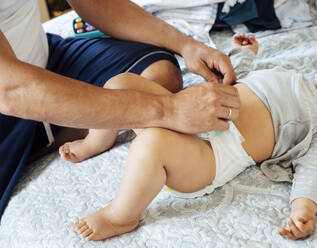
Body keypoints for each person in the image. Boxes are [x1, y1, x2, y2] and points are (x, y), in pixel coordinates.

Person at [68, 34, 317, 241]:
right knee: (120, 84)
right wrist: (243, 52)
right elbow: (235, 80)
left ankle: (121, 215)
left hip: (211, 153)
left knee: (152, 144)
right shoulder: (288, 73)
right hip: (185, 111)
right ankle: (97, 141)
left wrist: (304, 209)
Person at [0, 0, 241, 221]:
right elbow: (10, 89)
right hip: (9, 97)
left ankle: (90, 128)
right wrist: (169, 109)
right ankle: (50, 136)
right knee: (144, 101)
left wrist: (187, 46)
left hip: (46, 55)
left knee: (159, 73)